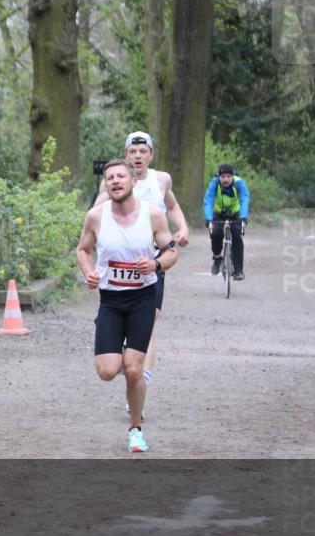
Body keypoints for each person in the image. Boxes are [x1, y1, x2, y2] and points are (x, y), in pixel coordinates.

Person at [77, 159, 179, 453]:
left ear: (134, 182)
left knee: (134, 370)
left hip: (142, 298)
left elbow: (172, 252)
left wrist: (156, 264)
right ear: (106, 185)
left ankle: (135, 430)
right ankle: (126, 351)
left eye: (121, 176)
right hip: (110, 301)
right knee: (107, 371)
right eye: (110, 178)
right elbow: (83, 250)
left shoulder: (153, 214)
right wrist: (89, 272)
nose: (115, 181)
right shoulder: (96, 216)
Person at [94, 131, 189, 415]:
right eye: (132, 152)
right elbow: (97, 209)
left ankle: (141, 376)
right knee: (116, 357)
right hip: (119, 267)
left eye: (142, 151)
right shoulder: (114, 181)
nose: (137, 156)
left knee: (152, 317)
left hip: (152, 261)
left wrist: (183, 227)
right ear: (126, 155)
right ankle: (129, 360)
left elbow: (172, 205)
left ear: (151, 155)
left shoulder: (162, 179)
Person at [203, 163, 250, 281]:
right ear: (218, 177)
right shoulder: (214, 184)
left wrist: (243, 217)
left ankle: (238, 270)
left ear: (233, 176)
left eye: (228, 176)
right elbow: (209, 200)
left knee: (237, 237)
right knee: (215, 233)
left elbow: (244, 199)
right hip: (218, 214)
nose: (226, 179)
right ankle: (217, 257)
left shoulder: (239, 183)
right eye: (223, 177)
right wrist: (209, 219)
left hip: (235, 214)